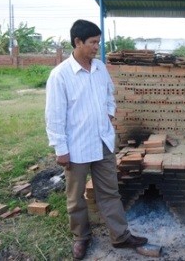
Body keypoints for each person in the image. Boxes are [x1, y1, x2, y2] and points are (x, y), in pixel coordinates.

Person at [45, 19, 147, 260]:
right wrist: (61, 149)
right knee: (75, 197)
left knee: (110, 192)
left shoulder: (100, 68)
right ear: (77, 42)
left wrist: (110, 113)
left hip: (102, 142)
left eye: (98, 42)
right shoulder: (60, 76)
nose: (96, 48)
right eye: (92, 43)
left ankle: (120, 236)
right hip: (76, 146)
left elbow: (110, 94)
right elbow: (54, 116)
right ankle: (81, 237)